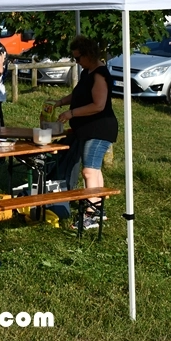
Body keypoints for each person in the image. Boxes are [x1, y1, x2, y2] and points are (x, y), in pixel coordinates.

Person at [55, 35, 118, 230]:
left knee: (88, 170)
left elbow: (98, 105)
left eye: (78, 57)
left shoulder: (99, 74)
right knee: (94, 170)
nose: (77, 62)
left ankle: (90, 213)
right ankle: (98, 209)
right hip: (89, 129)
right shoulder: (87, 72)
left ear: (89, 54)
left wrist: (71, 113)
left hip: (100, 128)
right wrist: (59, 102)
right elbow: (77, 95)